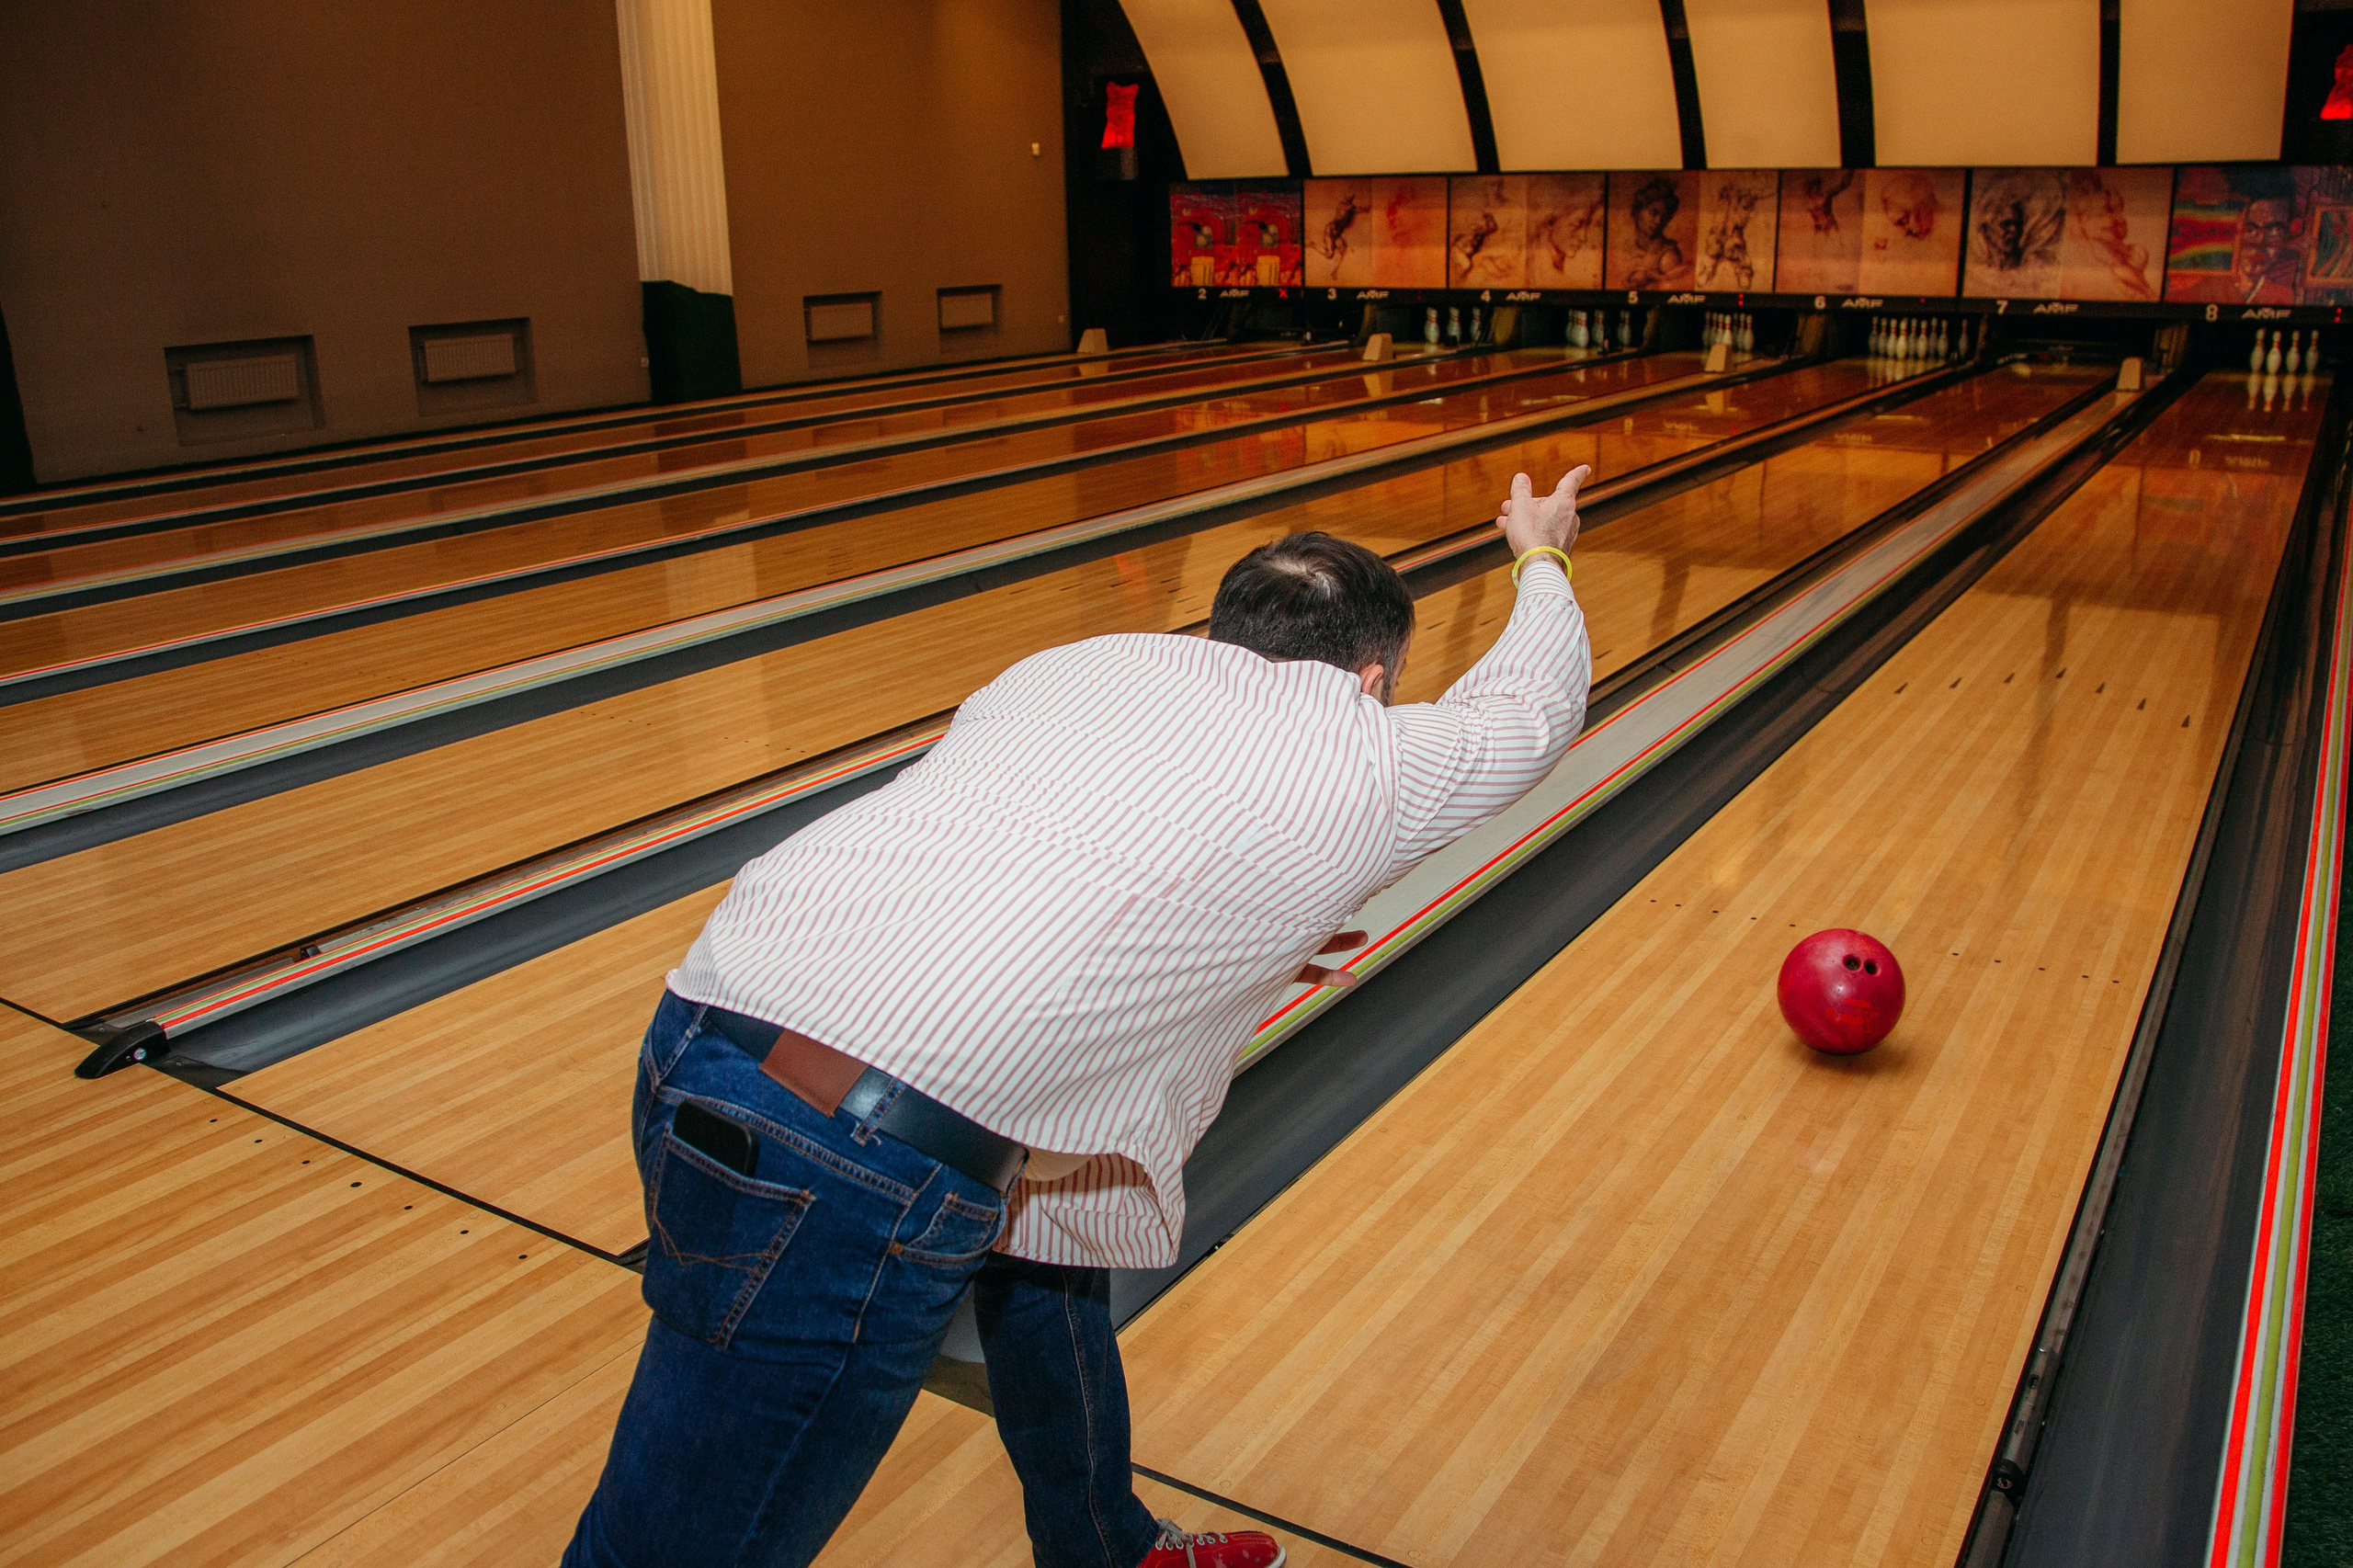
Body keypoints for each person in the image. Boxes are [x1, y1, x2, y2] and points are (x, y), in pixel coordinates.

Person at [563, 464, 1597, 1568]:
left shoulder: (1065, 666)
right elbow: (1529, 709)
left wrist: (1251, 929)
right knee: (688, 1543)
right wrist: (1542, 551)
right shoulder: (1368, 751)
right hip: (853, 1156)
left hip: (700, 1025)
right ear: (1373, 674)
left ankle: (1103, 1544)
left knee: (1044, 1258)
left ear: (1219, 628)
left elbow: (1052, 864)